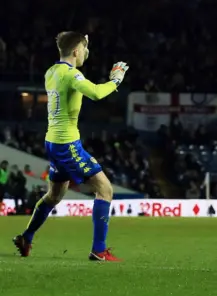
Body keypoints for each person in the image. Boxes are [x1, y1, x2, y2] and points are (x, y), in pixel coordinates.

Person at [12, 32, 129, 262]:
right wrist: (116, 80)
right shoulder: (71, 74)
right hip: (67, 144)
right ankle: (99, 250)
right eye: (84, 48)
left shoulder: (51, 72)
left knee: (54, 196)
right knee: (105, 190)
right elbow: (95, 93)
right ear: (76, 51)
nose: (86, 52)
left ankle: (27, 237)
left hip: (52, 142)